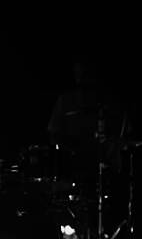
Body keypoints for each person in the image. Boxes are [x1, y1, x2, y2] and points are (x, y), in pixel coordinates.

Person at [47, 59, 131, 188]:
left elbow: (125, 135)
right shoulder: (66, 101)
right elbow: (54, 135)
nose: (82, 79)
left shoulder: (111, 101)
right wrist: (72, 150)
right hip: (76, 168)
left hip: (109, 168)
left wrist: (115, 142)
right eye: (78, 75)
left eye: (86, 74)